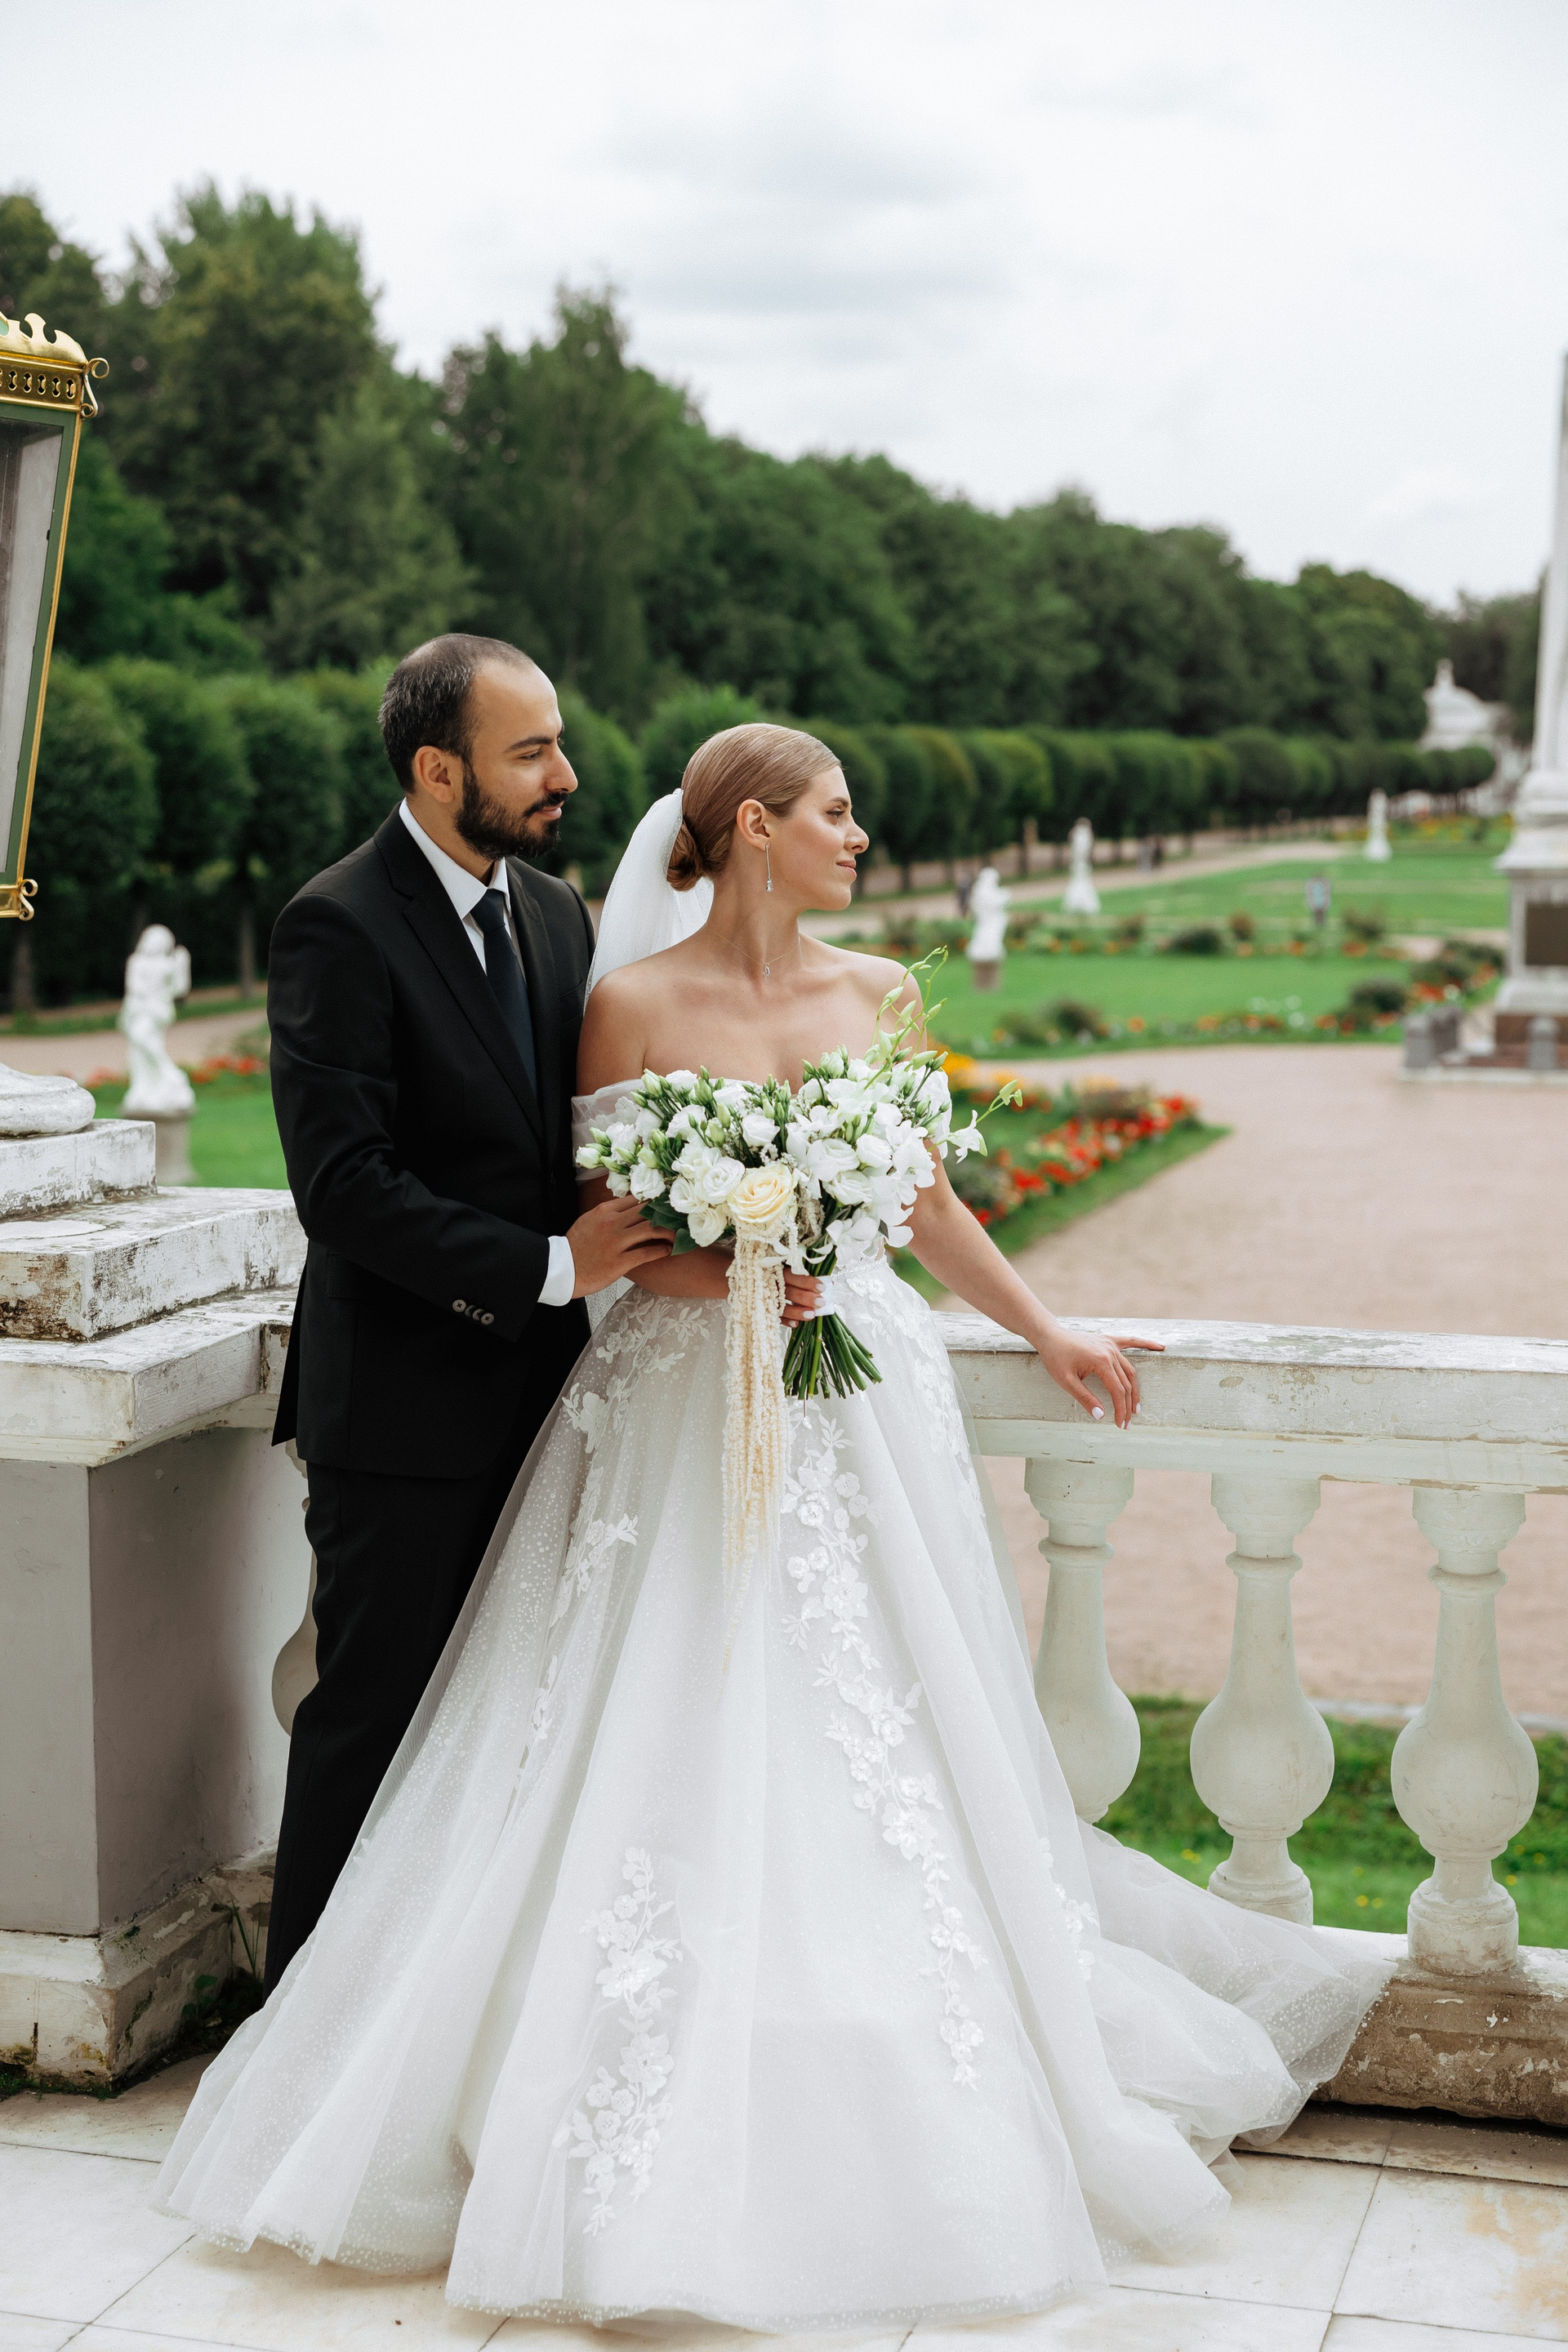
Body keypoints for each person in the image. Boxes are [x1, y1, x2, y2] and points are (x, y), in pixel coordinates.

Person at [159, 724, 1388, 2328]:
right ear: (750, 828)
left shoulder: (879, 992)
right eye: (834, 812)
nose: (859, 838)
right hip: (678, 1405)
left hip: (856, 1408)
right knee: (664, 1709)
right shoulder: (626, 1000)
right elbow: (597, 1226)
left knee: (870, 1719)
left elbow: (925, 1199)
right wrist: (730, 1264)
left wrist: (1046, 1328)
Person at [260, 635, 670, 1993]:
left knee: (518, 1725)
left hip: (554, 1405)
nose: (567, 774)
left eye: (559, 742)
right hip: (401, 1412)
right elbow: (344, 1187)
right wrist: (552, 1266)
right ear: (440, 771)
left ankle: (444, 2017)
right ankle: (298, 2031)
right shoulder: (336, 922)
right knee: (373, 1723)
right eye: (531, 751)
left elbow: (581, 1139)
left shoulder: (554, 912)